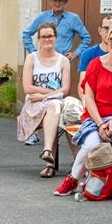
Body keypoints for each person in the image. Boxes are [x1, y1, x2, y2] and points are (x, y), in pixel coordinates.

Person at [53, 21, 112, 203]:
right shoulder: (96, 64)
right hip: (97, 115)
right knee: (91, 144)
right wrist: (100, 124)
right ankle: (73, 179)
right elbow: (88, 98)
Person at [18, 22, 70, 178]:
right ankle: (49, 160)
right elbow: (27, 88)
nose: (47, 39)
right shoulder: (31, 59)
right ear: (38, 39)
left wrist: (45, 96)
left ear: (56, 38)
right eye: (43, 36)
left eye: (50, 36)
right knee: (53, 107)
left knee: (56, 107)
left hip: (54, 104)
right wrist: (50, 93)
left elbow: (66, 89)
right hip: (34, 104)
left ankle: (48, 155)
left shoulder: (63, 61)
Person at [20, 0, 91, 59]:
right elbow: (26, 34)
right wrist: (33, 52)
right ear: (51, 2)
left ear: (65, 2)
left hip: (62, 60)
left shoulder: (73, 19)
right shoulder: (42, 16)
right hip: (43, 60)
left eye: (60, 0)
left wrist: (76, 53)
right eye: (55, 0)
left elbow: (86, 37)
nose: (57, 3)